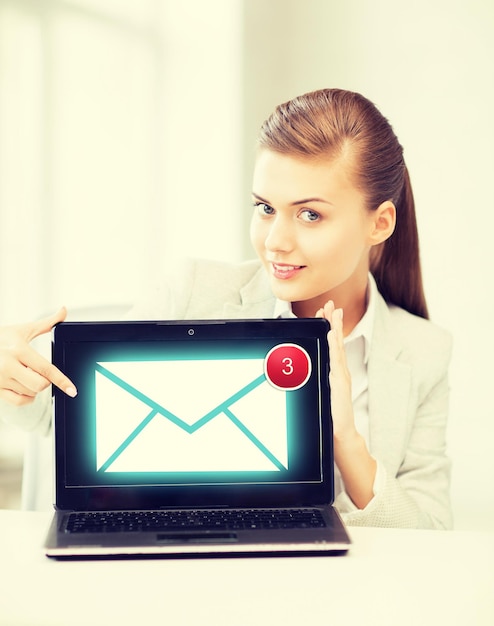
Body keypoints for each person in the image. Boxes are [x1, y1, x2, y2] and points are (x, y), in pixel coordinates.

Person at [0, 88, 452, 529]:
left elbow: (431, 533)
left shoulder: (423, 352)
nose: (276, 241)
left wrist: (346, 442)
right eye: (265, 208)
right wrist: (11, 370)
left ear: (380, 222)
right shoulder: (194, 291)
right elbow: (60, 415)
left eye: (310, 214)